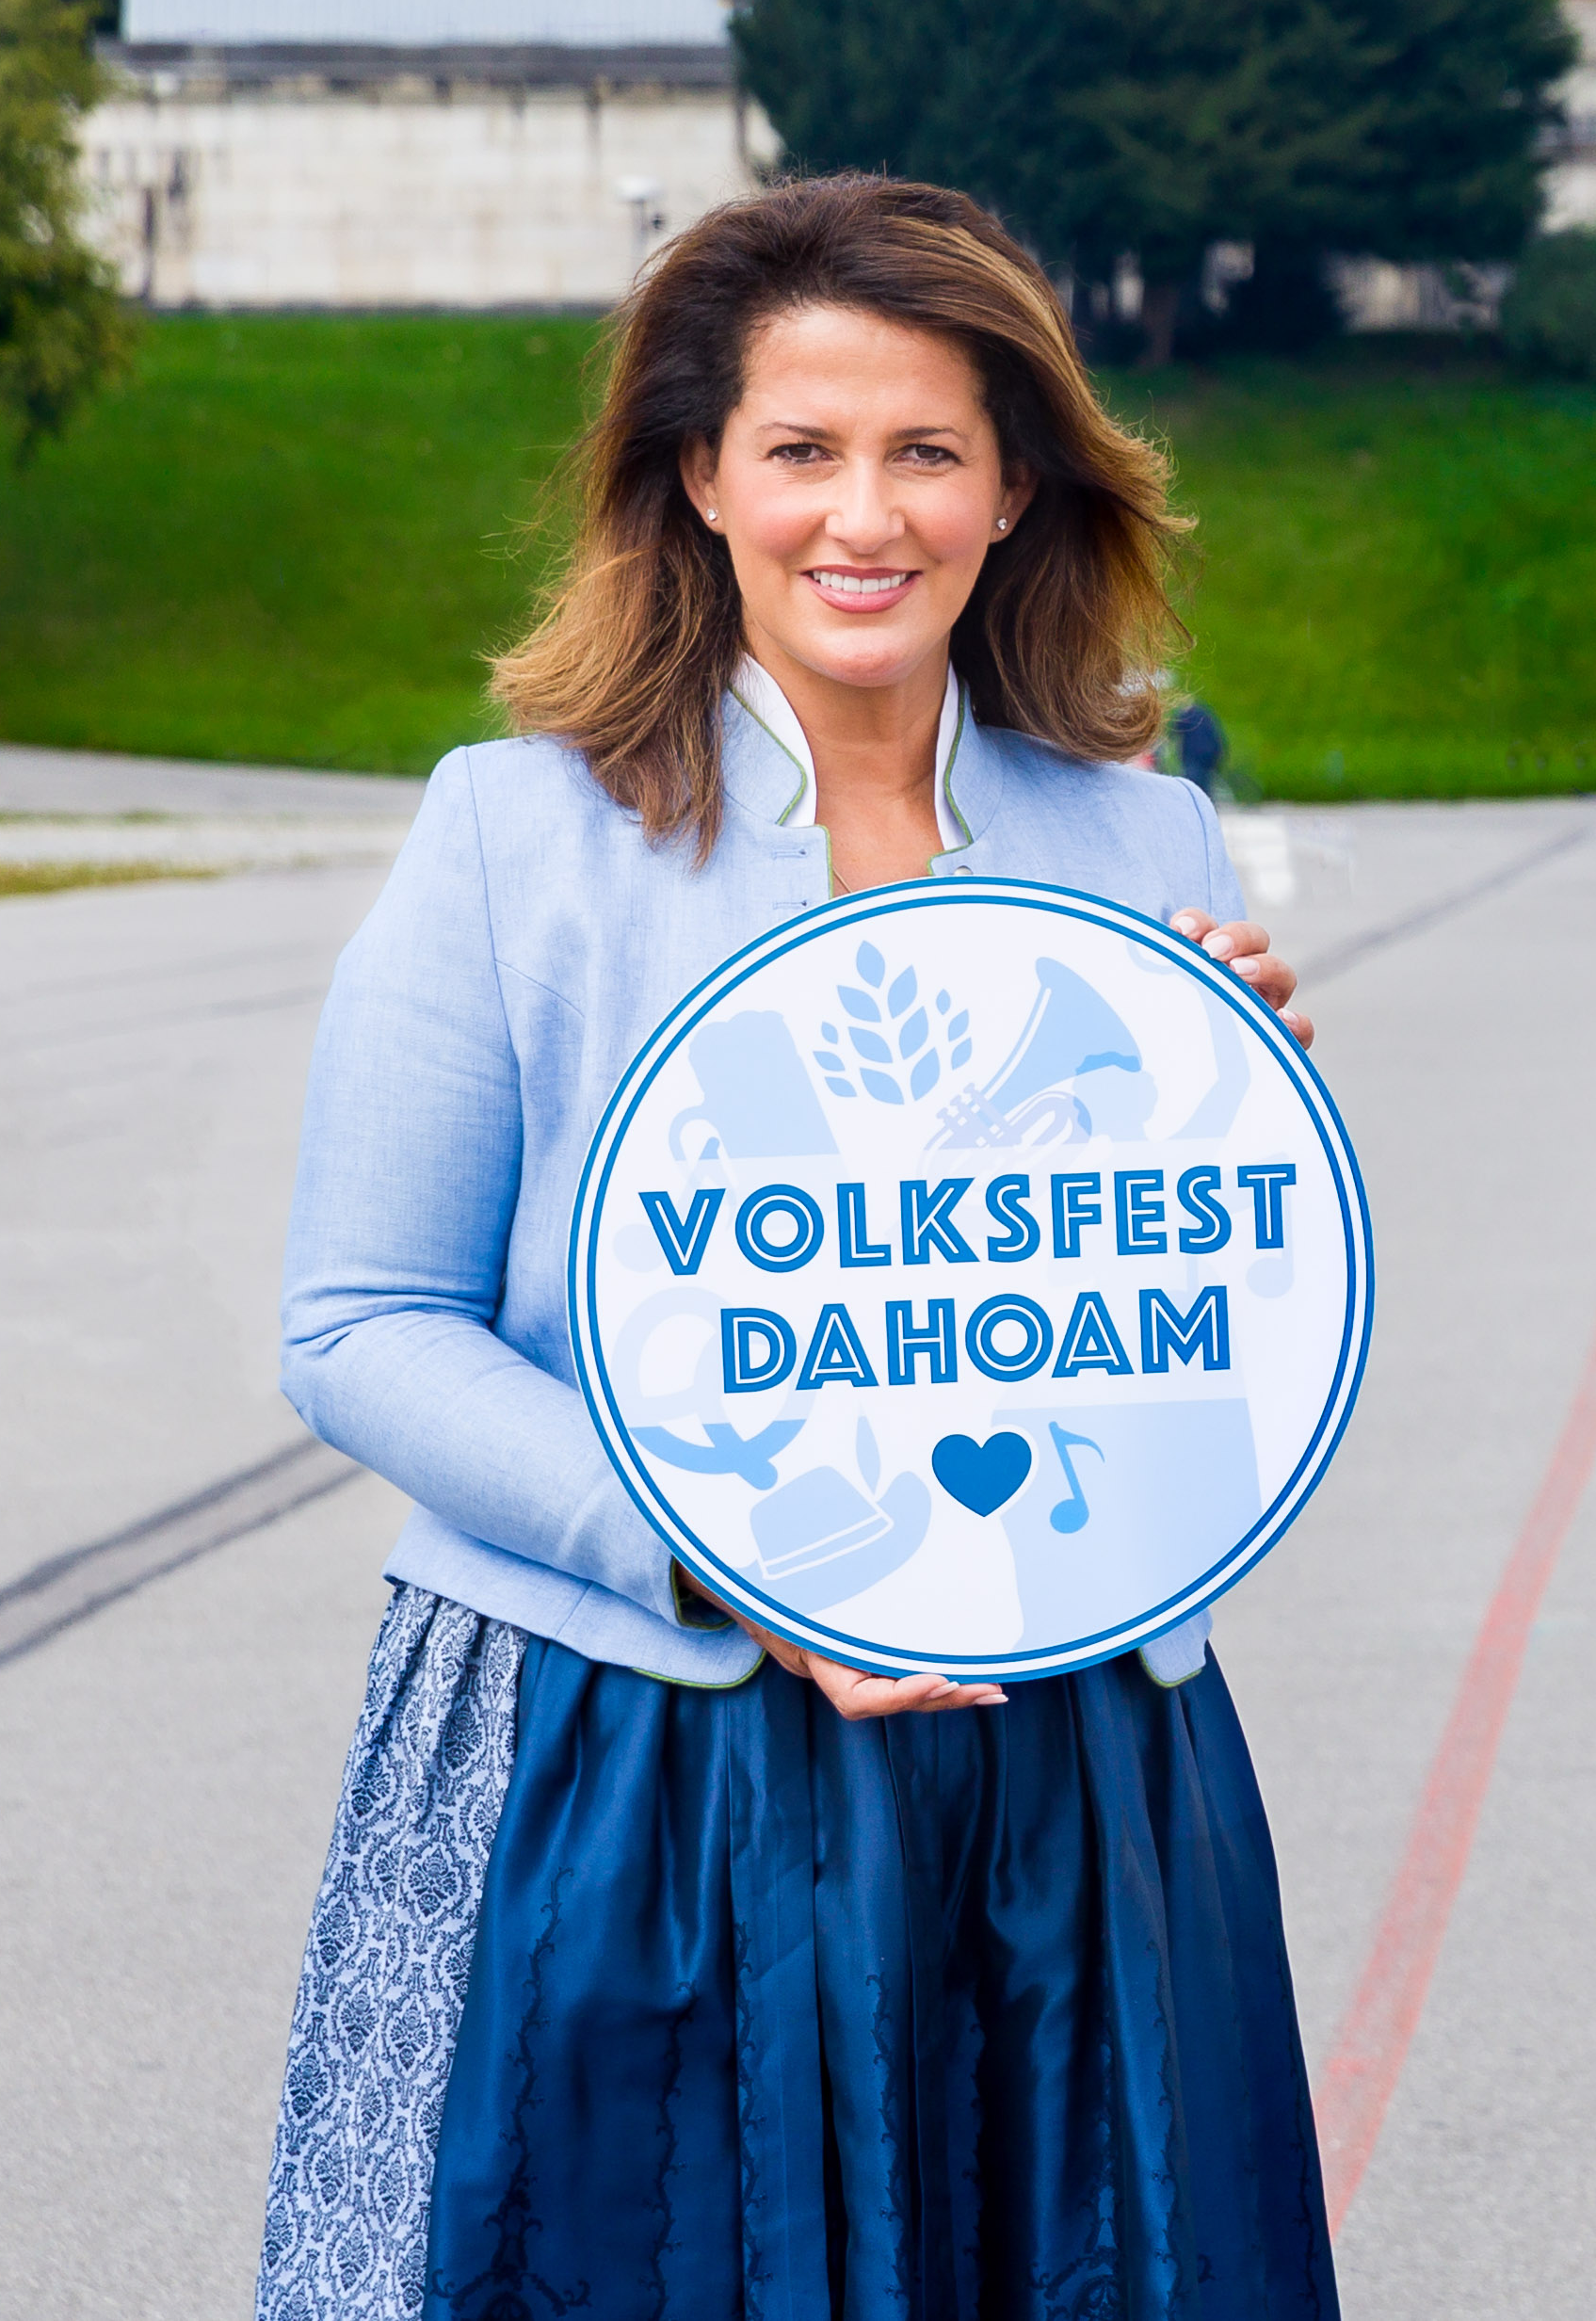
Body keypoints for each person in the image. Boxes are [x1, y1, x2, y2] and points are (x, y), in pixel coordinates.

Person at [260, 174, 1341, 2321]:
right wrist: (711, 1548)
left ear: (1016, 483)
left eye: (926, 448)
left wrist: (1236, 1098)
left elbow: (1174, 1321)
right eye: (803, 449)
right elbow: (359, 1324)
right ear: (700, 475)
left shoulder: (1139, 840)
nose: (867, 514)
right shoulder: (518, 826)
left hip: (1072, 1766)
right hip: (641, 1747)